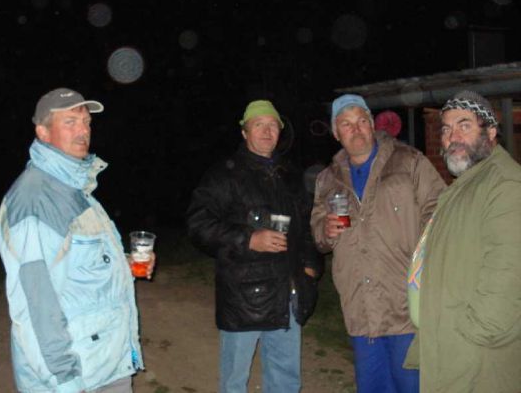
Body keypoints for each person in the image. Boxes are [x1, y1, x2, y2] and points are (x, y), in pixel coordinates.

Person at [0, 88, 153, 393]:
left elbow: (80, 265)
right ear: (43, 132)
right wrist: (66, 381)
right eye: (70, 122)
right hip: (75, 376)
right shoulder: (36, 199)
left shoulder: (74, 189)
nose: (83, 131)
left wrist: (126, 263)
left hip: (105, 364)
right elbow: (35, 307)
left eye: (86, 122)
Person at [310, 94, 445, 393]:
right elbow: (318, 236)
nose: (355, 129)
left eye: (361, 121)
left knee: (412, 385)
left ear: (372, 125)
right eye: (346, 124)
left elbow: (439, 210)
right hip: (361, 308)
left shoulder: (409, 161)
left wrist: (425, 262)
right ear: (336, 133)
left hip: (405, 304)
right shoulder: (327, 179)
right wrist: (326, 230)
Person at [186, 100, 322, 393]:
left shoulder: (290, 176)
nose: (266, 131)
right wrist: (248, 239)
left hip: (288, 295)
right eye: (258, 125)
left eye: (272, 125)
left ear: (280, 132)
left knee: (286, 381)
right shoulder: (224, 175)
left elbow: (307, 226)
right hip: (242, 299)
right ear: (244, 132)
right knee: (235, 382)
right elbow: (198, 224)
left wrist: (310, 269)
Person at [404, 90, 521, 392]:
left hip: (476, 356)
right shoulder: (466, 184)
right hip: (452, 344)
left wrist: (469, 333)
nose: (452, 137)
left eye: (464, 125)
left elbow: (509, 274)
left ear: (490, 132)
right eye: (446, 129)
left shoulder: (505, 184)